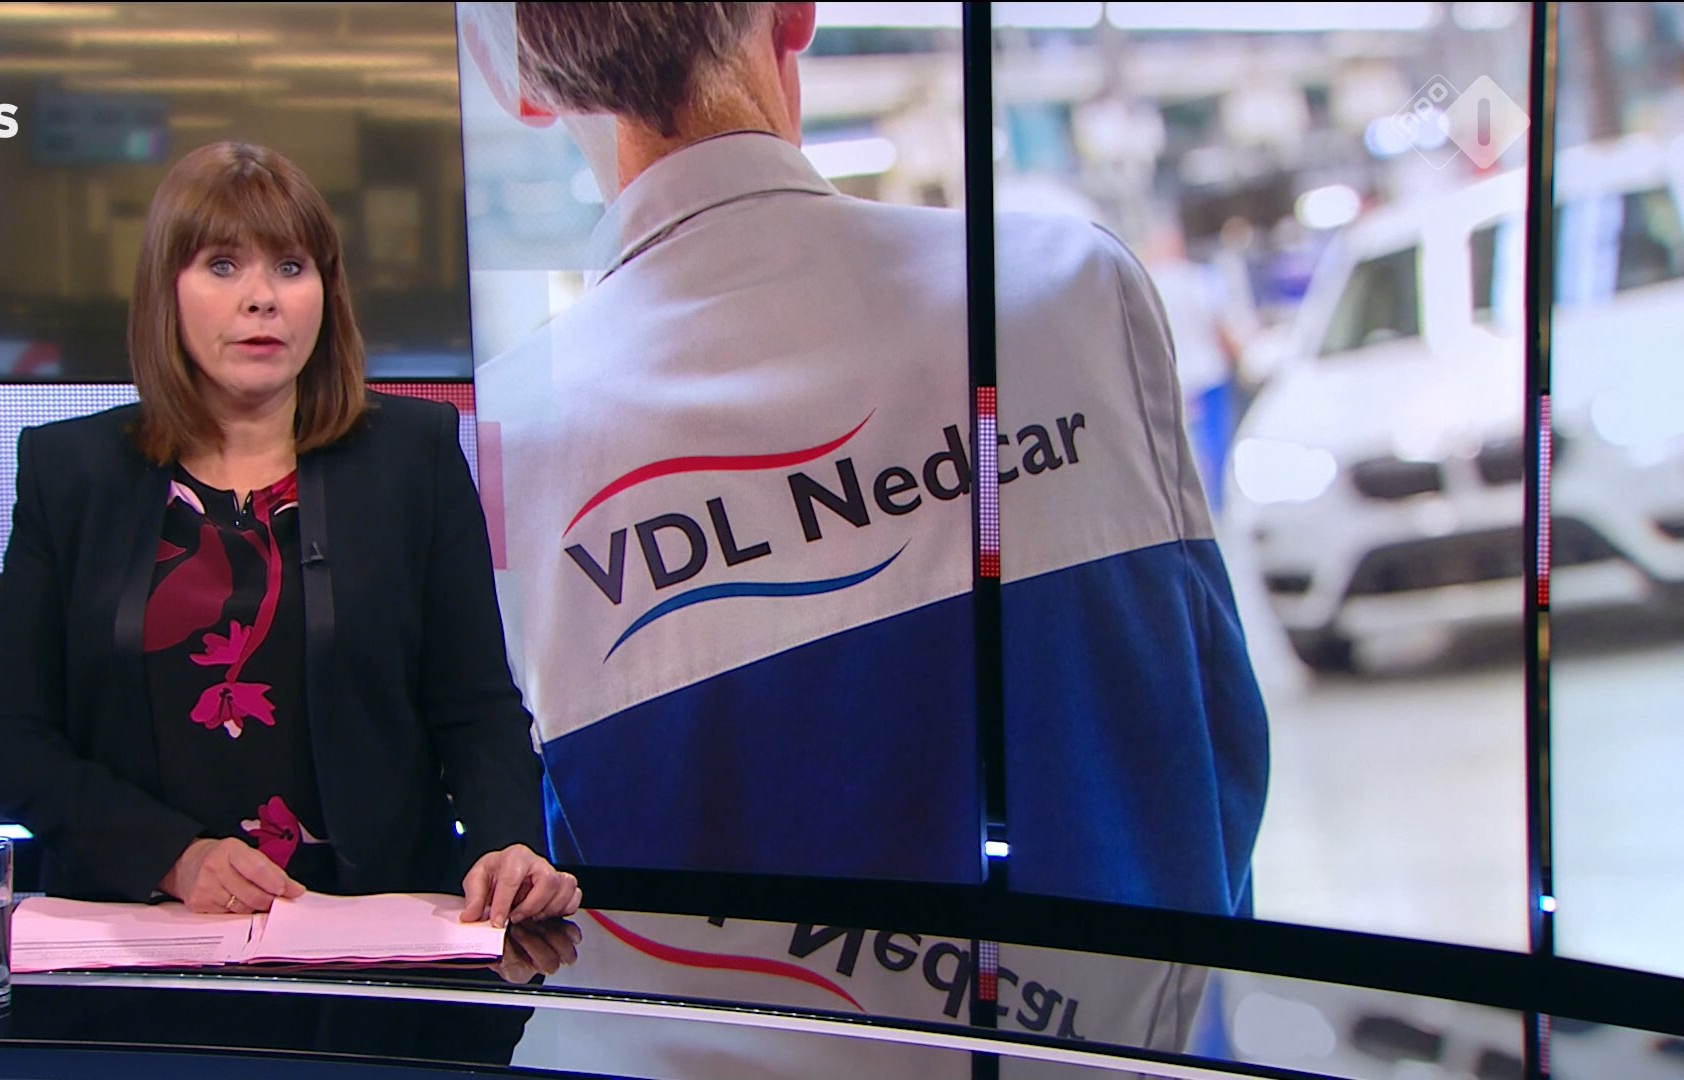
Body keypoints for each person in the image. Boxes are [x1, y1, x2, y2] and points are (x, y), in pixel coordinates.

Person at [467, 3, 1269, 915]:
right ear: (798, 13)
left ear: (514, 86)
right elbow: (1218, 772)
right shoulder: (1070, 292)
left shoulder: (491, 454)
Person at [0, 141, 581, 935]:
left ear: (326, 291)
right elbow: (9, 735)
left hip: (370, 926)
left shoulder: (413, 457)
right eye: (223, 266)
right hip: (143, 931)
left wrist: (508, 843)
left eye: (291, 267)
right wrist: (172, 857)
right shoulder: (71, 471)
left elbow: (474, 707)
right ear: (166, 290)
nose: (262, 299)